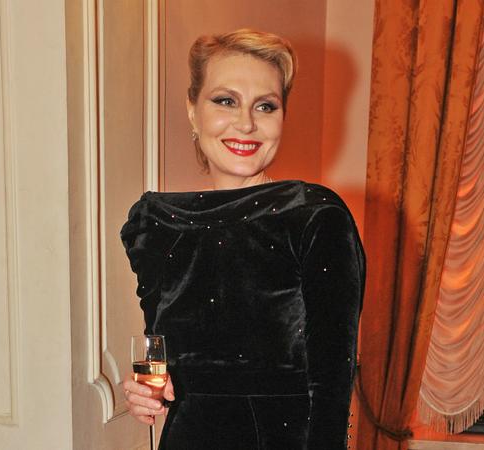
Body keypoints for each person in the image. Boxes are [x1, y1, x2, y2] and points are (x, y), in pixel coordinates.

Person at [120, 28, 365, 449]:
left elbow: (332, 390)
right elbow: (167, 359)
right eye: (225, 100)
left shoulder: (313, 217)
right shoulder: (158, 224)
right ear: (193, 110)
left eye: (265, 106)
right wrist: (148, 391)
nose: (247, 123)